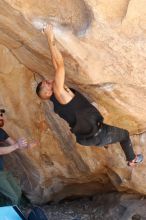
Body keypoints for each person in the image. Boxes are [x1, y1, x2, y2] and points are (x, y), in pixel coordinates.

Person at [36, 24, 143, 167]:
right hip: (99, 134)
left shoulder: (57, 100)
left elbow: (56, 65)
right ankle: (132, 159)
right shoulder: (60, 94)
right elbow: (60, 65)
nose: (49, 81)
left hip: (91, 136)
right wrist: (50, 37)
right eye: (46, 84)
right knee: (124, 134)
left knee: (108, 133)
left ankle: (107, 144)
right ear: (48, 92)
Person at [0, 109, 37, 205]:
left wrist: (27, 146)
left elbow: (15, 145)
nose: (1, 117)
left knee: (17, 192)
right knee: (13, 198)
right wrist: (16, 146)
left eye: (1, 114)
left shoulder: (1, 131)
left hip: (2, 171)